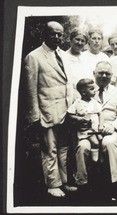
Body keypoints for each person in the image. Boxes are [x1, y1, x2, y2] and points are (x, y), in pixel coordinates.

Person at [24, 21, 77, 197]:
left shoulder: (62, 54)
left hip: (65, 111)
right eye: (53, 33)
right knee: (49, 149)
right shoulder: (34, 57)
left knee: (63, 149)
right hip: (46, 112)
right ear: (45, 34)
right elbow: (30, 90)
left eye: (59, 34)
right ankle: (52, 185)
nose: (56, 37)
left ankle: (64, 182)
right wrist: (34, 117)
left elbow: (67, 83)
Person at [74, 61, 117, 201]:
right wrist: (81, 123)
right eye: (100, 73)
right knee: (83, 146)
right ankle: (82, 184)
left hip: (109, 128)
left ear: (112, 76)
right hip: (88, 130)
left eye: (107, 73)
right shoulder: (85, 89)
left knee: (109, 143)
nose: (104, 76)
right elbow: (76, 112)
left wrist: (113, 126)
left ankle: (114, 185)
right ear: (94, 73)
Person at [67, 78, 103, 162]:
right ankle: (95, 159)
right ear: (83, 92)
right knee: (95, 142)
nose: (95, 91)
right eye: (91, 89)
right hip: (85, 130)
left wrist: (101, 125)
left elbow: (100, 114)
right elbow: (70, 114)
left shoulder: (94, 102)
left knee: (100, 140)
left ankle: (99, 157)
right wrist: (79, 118)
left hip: (95, 129)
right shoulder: (77, 103)